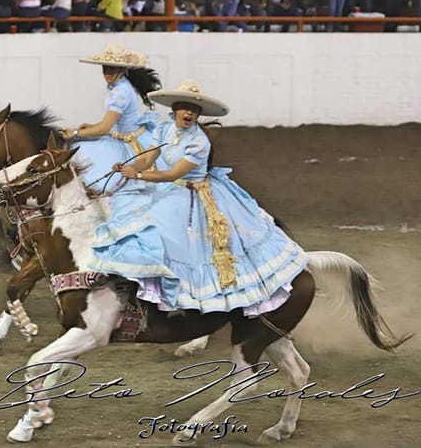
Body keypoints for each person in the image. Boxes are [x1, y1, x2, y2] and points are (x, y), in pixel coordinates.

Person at [105, 80, 307, 316]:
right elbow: (148, 159)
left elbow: (172, 174)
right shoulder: (163, 128)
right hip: (169, 188)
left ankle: (179, 298)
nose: (189, 112)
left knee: (168, 234)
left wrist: (138, 175)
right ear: (175, 110)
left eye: (194, 109)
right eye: (184, 107)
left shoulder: (199, 142)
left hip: (189, 194)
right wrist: (130, 166)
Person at [60, 44, 162, 192]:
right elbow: (111, 123)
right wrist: (92, 126)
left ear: (121, 69)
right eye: (105, 68)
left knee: (81, 148)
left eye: (112, 68)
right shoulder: (120, 85)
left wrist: (75, 133)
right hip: (124, 135)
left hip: (127, 143)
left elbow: (104, 128)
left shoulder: (120, 92)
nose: (107, 72)